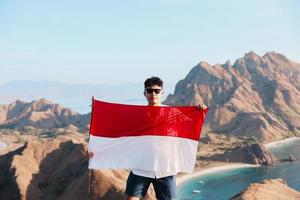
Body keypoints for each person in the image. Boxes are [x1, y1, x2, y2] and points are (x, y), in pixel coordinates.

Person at [125, 76, 207, 200]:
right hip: (141, 167)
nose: (153, 93)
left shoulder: (172, 113)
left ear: (162, 93)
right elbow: (118, 134)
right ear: (144, 93)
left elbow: (190, 126)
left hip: (165, 168)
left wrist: (200, 112)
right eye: (150, 90)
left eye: (157, 91)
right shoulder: (137, 115)